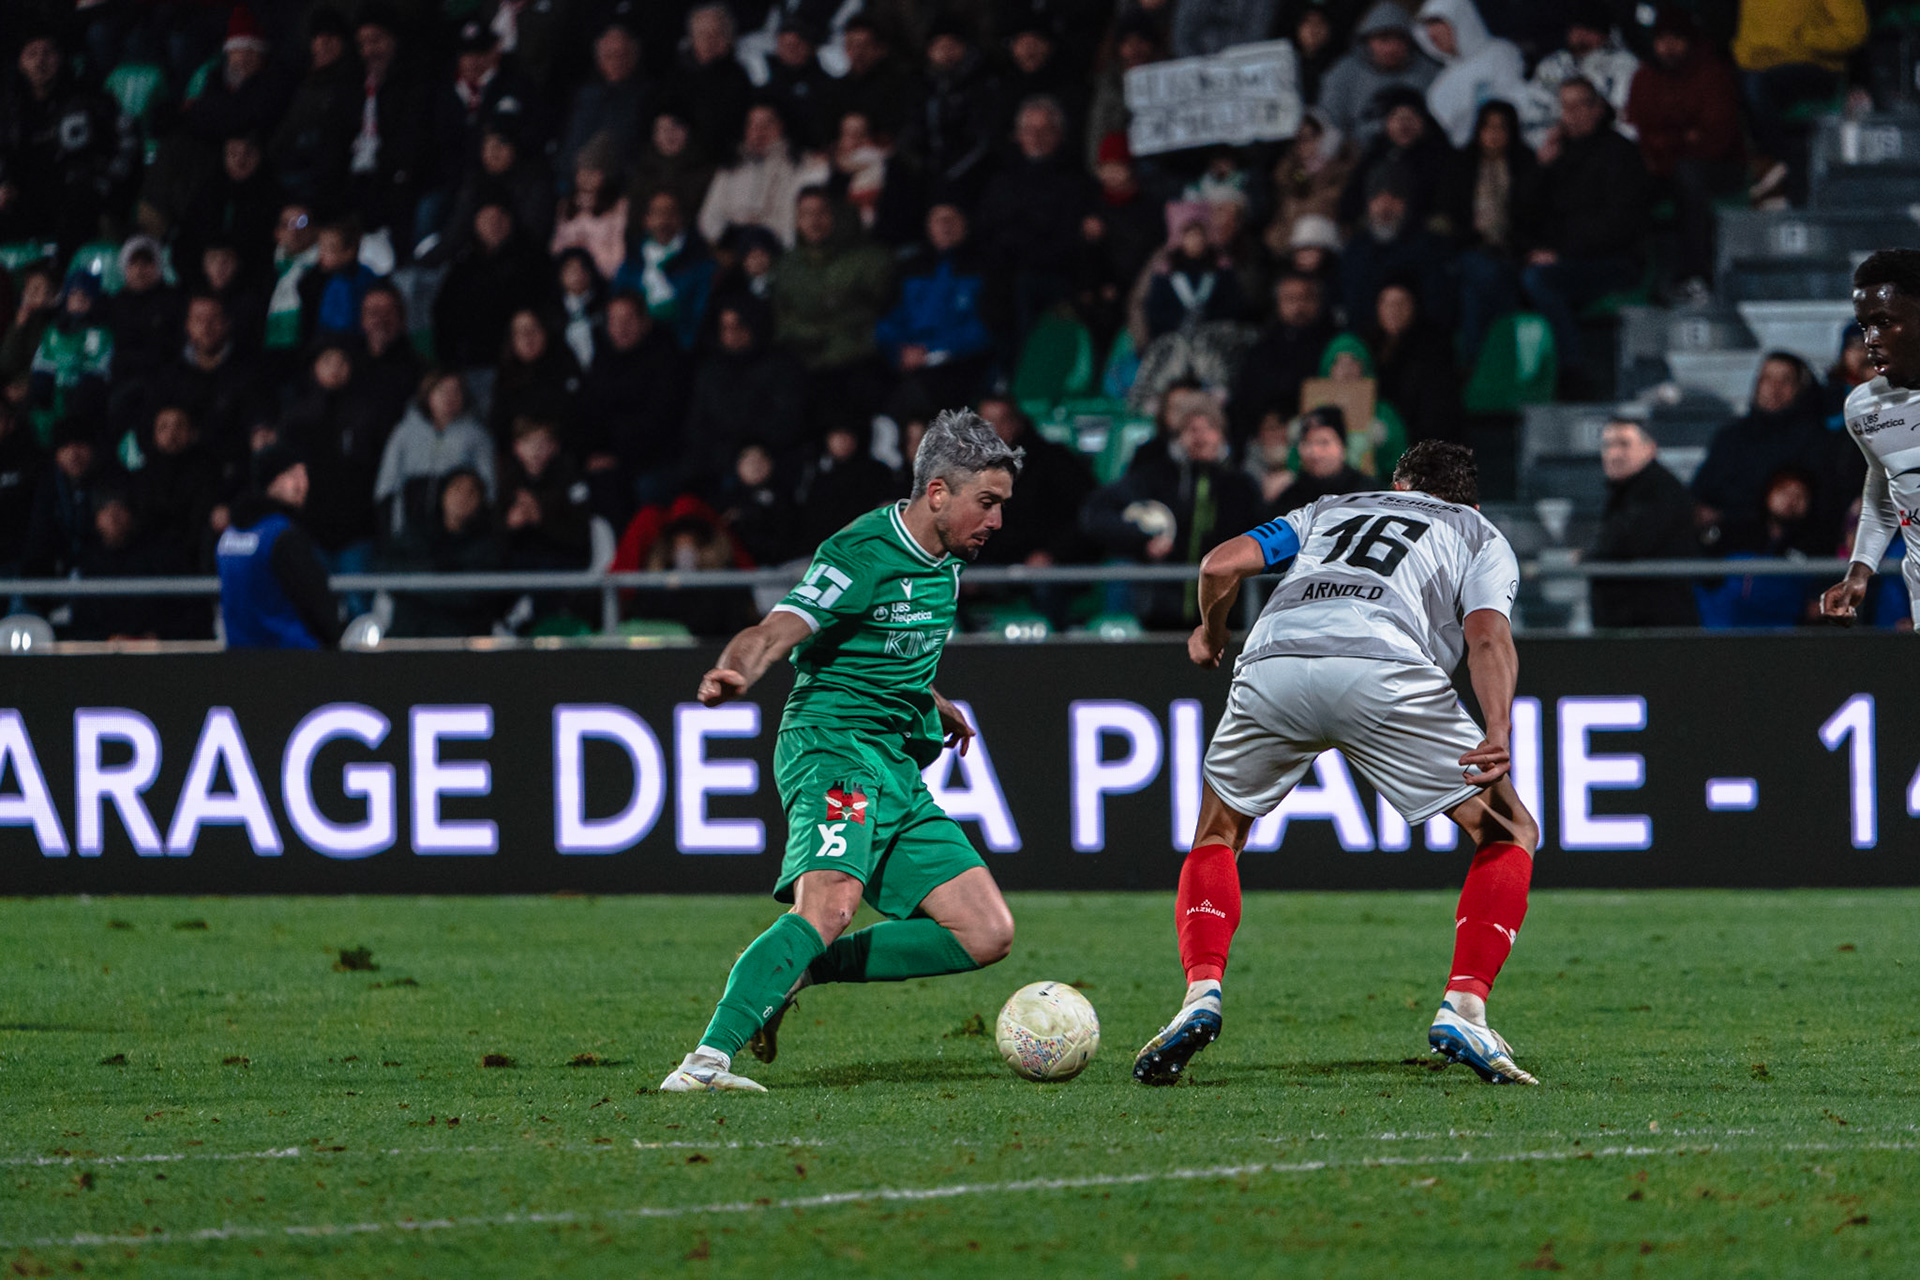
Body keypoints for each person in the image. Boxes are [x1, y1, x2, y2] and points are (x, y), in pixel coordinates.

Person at [1133, 439, 1540, 1087]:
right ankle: (1465, 1005)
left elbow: (1218, 565)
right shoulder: (1478, 532)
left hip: (1274, 663)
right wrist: (1497, 727)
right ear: (1471, 500)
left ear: (1398, 487)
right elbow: (1487, 636)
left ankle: (1201, 991)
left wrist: (1211, 633)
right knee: (1508, 831)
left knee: (1218, 833)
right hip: (1383, 667)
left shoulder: (1330, 507)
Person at [659, 409, 1023, 1093]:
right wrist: (736, 670)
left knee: (986, 931)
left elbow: (884, 646)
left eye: (1001, 504)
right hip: (833, 750)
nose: (997, 520)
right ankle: (703, 1065)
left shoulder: (945, 563)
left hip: (893, 765)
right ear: (938, 493)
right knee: (828, 906)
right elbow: (776, 629)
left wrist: (932, 698)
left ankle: (797, 972)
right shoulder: (860, 553)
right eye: (987, 502)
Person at [1520, 76, 1649, 390]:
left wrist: (1561, 253)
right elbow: (1526, 214)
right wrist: (1541, 168)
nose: (1573, 114)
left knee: (1539, 280)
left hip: (1614, 261)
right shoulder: (1557, 154)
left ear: (1597, 108)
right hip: (1564, 258)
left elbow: (1619, 225)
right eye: (1566, 107)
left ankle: (1572, 369)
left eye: (1580, 105)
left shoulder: (1620, 153)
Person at [1823, 250, 1920, 628]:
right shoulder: (1864, 407)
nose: (1870, 340)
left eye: (1884, 322)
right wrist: (1860, 570)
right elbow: (1888, 484)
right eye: (1865, 326)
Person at [1624, 8, 1745, 304]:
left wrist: (1666, 142)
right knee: (1626, 180)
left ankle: (1697, 275)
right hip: (1661, 166)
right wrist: (1682, 137)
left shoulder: (1712, 74)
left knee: (1688, 178)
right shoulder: (1644, 77)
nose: (1667, 47)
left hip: (1720, 168)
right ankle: (1639, 277)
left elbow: (1716, 138)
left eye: (1675, 39)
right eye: (1661, 40)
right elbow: (1639, 128)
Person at [1691, 351, 1833, 549]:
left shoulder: (1816, 441)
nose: (1774, 388)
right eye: (1767, 379)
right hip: (1720, 549)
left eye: (1785, 380)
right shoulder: (1730, 437)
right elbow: (1700, 491)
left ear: (1800, 390)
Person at [216, 444, 343, 650]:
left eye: (304, 475)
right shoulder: (282, 535)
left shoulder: (229, 536)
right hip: (291, 657)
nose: (302, 484)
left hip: (241, 657)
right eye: (292, 475)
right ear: (272, 482)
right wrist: (333, 640)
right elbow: (314, 601)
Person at [1587, 417, 1699, 627]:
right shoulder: (1623, 491)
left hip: (1654, 630)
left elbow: (1625, 543)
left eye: (1624, 444)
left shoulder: (1661, 491)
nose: (1614, 454)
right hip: (1630, 627)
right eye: (1608, 445)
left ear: (1650, 449)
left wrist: (1589, 554)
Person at [698, 103, 830, 249]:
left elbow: (807, 203)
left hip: (780, 247)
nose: (759, 130)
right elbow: (710, 217)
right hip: (735, 246)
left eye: (768, 123)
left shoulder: (800, 163)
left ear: (781, 126)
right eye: (753, 124)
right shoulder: (731, 167)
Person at [1316, 2, 1440, 146]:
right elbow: (1328, 123)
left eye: (1399, 39)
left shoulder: (1430, 74)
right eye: (1383, 39)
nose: (1391, 48)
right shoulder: (1343, 74)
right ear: (1367, 40)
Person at [1411, 0, 1527, 150]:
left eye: (1438, 22)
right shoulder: (1439, 86)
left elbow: (1516, 100)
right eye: (1428, 25)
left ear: (1460, 18)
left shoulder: (1500, 53)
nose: (1432, 32)